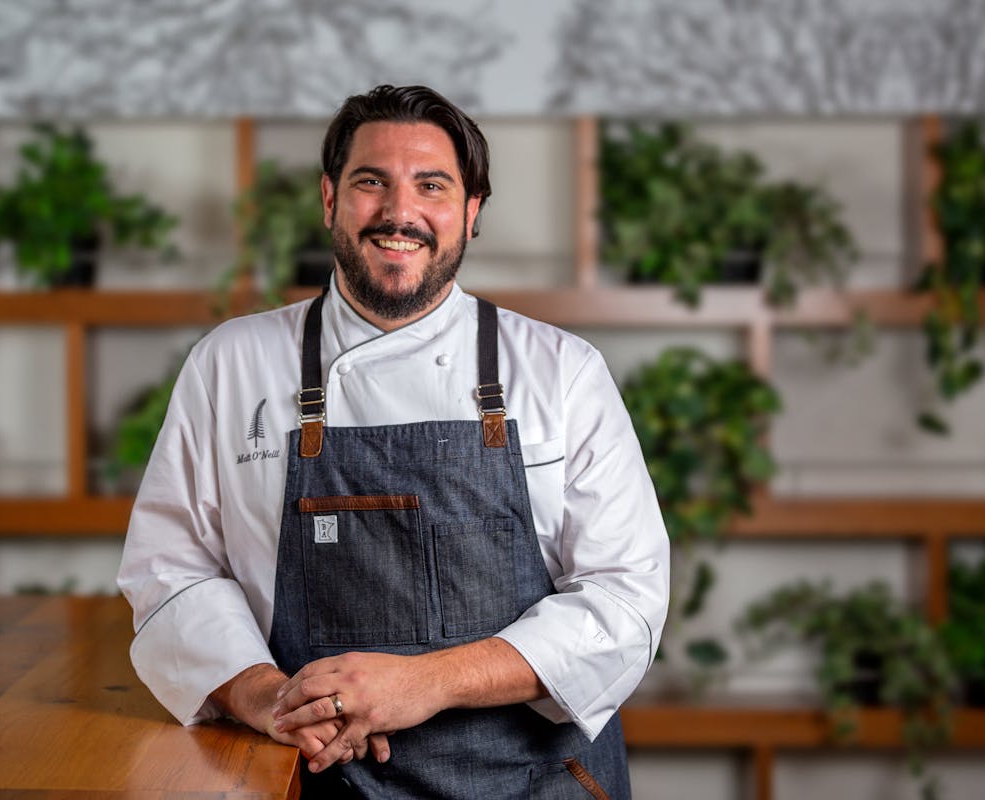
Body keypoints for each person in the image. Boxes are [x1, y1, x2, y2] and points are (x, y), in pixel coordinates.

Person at [117, 84, 669, 799]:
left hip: (533, 781)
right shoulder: (232, 363)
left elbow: (626, 600)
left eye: (431, 186)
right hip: (314, 774)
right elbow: (171, 569)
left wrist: (424, 683)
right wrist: (268, 698)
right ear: (329, 200)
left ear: (471, 214)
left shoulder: (562, 372)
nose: (398, 212)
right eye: (370, 182)